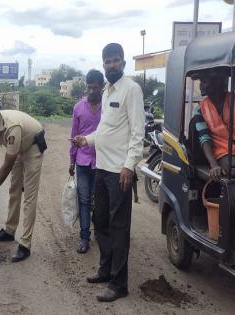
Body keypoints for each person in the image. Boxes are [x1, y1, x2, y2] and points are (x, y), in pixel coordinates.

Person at [74, 43, 144, 302]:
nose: (111, 65)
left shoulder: (132, 90)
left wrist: (129, 165)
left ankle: (119, 283)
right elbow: (106, 129)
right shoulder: (106, 92)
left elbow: (138, 132)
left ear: (123, 63)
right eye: (107, 62)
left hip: (119, 172)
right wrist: (87, 140)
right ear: (103, 65)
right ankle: (105, 270)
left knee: (119, 227)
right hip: (101, 168)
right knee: (100, 221)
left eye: (116, 61)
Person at [0, 106, 47, 262]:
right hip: (18, 148)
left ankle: (25, 244)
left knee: (29, 196)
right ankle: (9, 231)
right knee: (14, 190)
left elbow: (7, 166)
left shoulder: (12, 127)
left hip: (33, 145)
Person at [69, 69, 104, 254]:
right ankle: (84, 237)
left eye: (95, 88)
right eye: (89, 88)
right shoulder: (78, 108)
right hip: (82, 162)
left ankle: (100, 231)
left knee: (98, 200)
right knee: (83, 200)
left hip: (102, 162)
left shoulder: (107, 108)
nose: (91, 91)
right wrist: (71, 161)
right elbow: (73, 136)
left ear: (102, 88)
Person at [193, 69, 235, 180]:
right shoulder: (200, 109)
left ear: (217, 82)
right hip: (223, 154)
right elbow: (204, 138)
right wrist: (214, 165)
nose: (200, 86)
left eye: (204, 81)